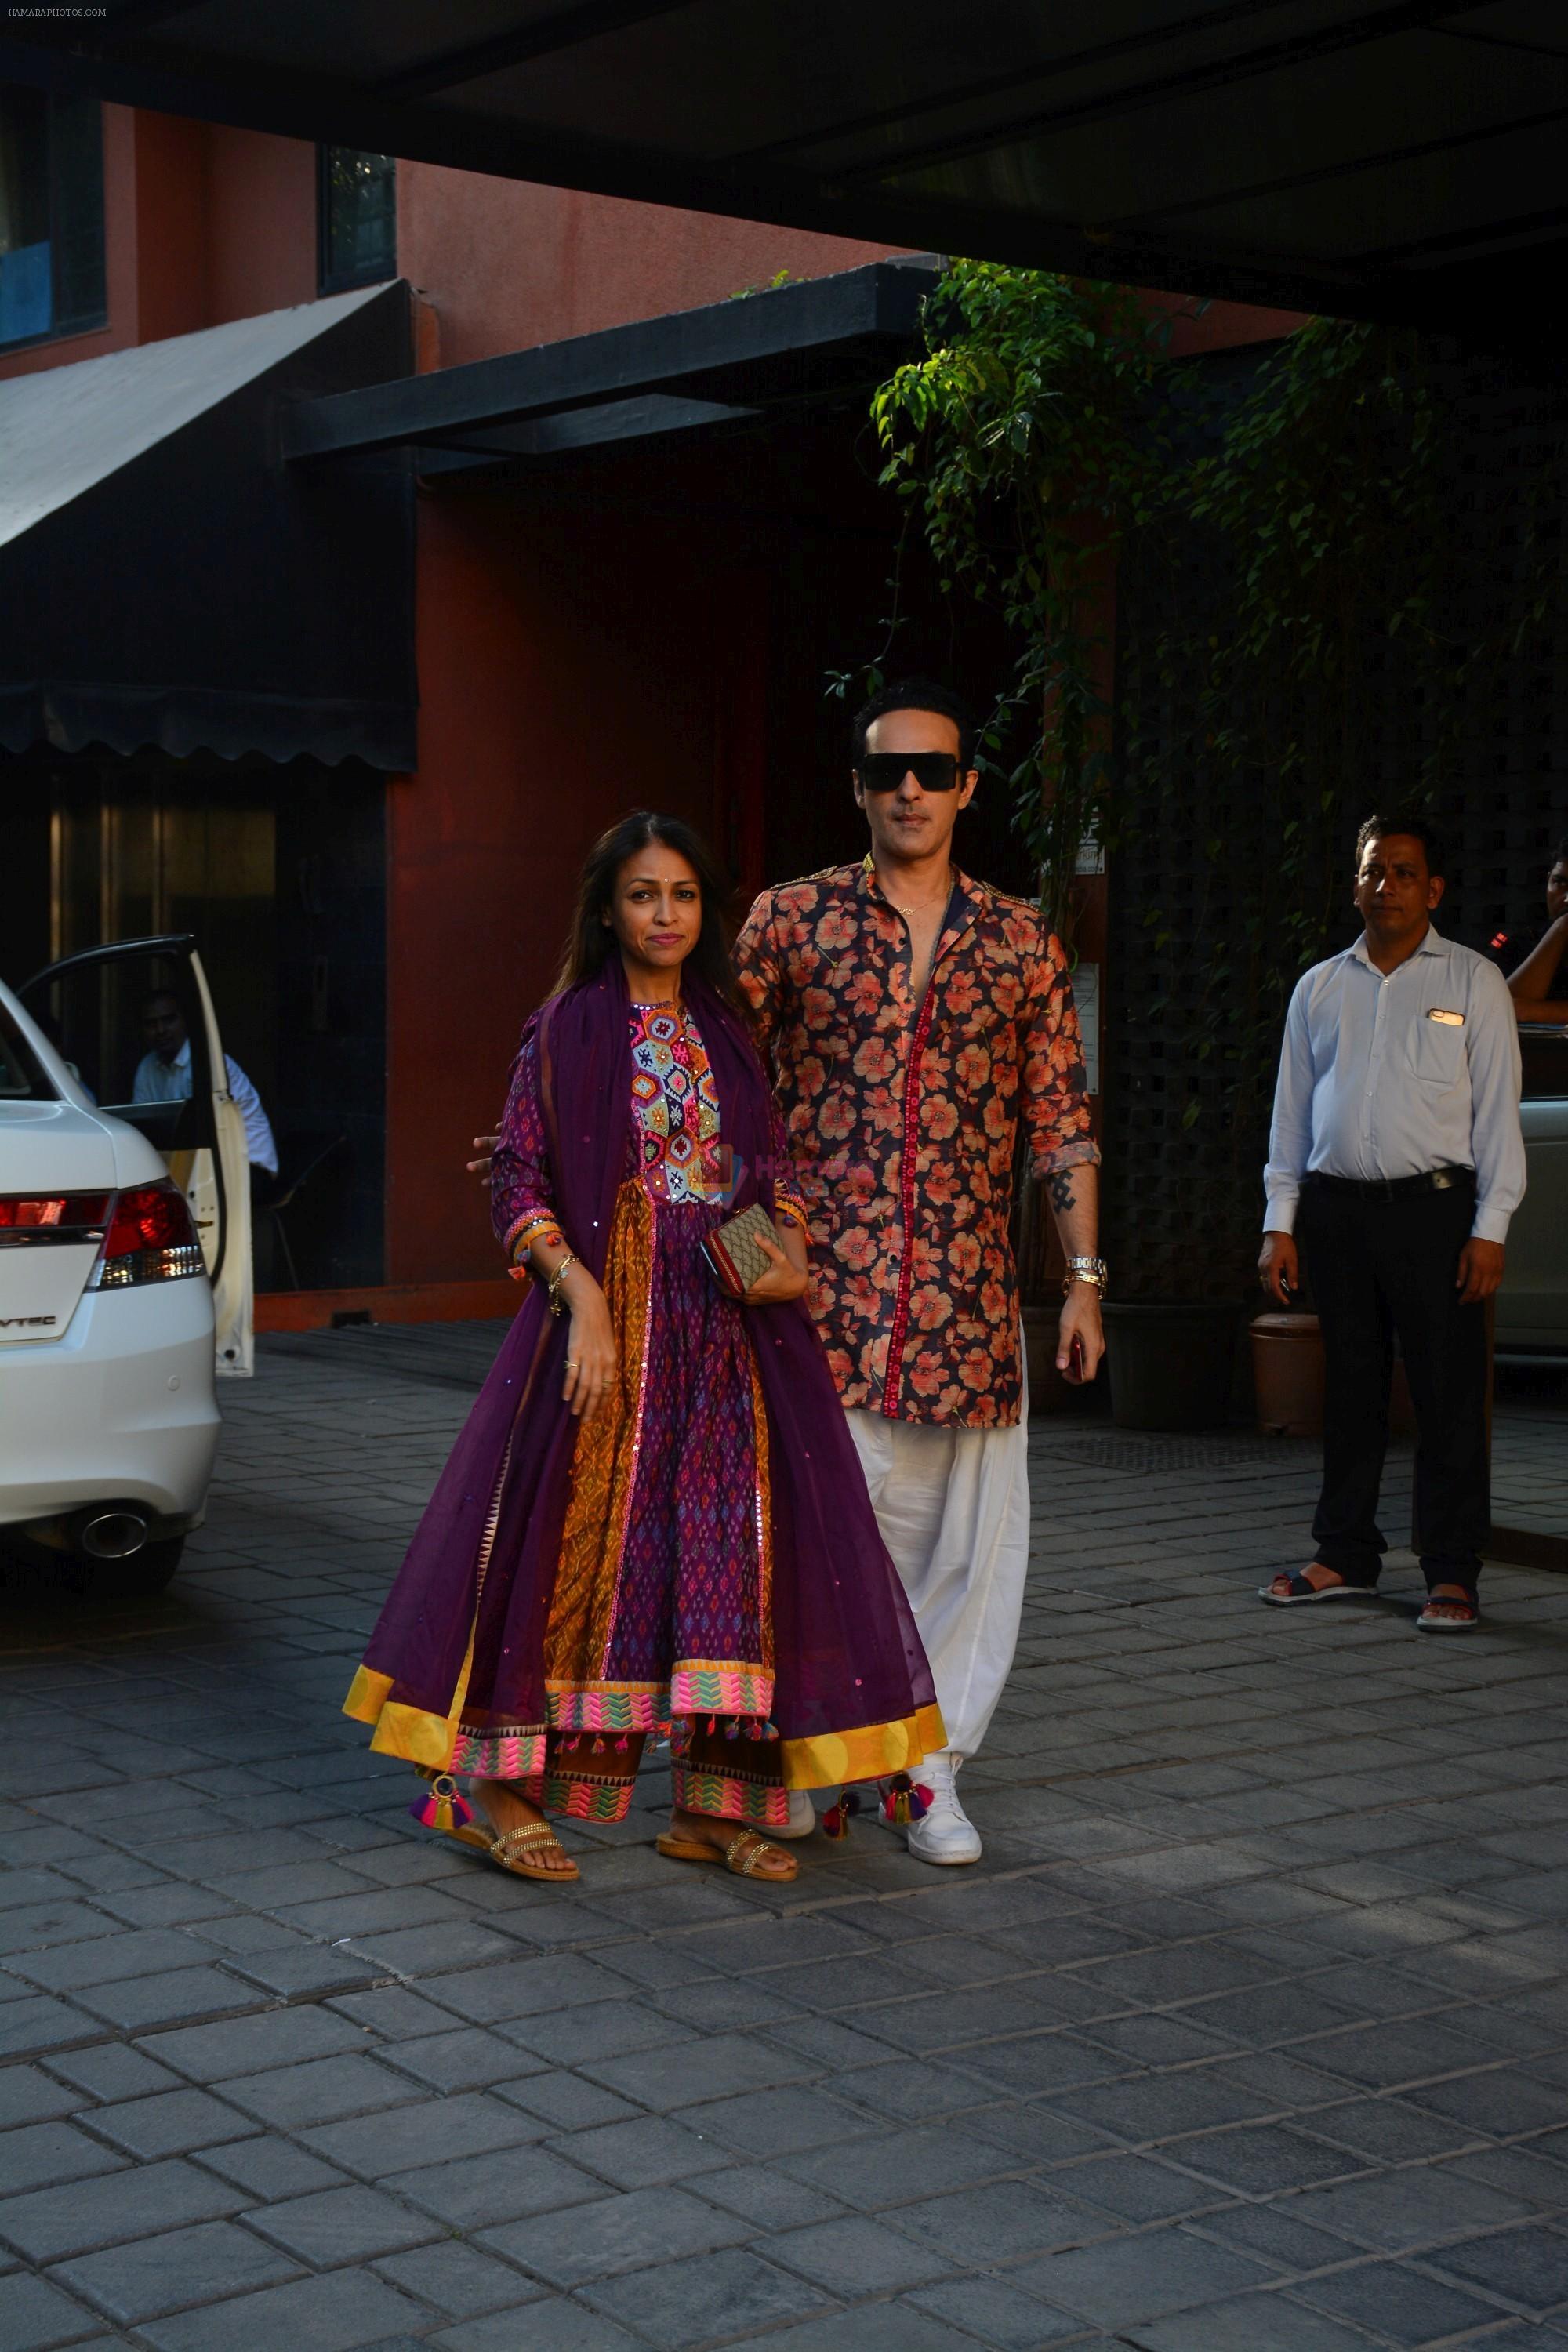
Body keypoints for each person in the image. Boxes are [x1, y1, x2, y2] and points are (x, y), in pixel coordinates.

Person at [348, 812, 942, 1887]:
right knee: (570, 1552)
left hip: (724, 1320)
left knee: (724, 1555)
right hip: (607, 1320)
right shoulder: (569, 1025)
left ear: (704, 910)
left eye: (681, 895)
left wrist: (792, 1250)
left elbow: (765, 1175)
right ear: (607, 909)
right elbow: (517, 1183)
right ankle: (499, 1788)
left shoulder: (727, 1026)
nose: (663, 915)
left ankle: (713, 1809)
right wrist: (580, 1300)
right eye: (641, 895)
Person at [732, 680, 1105, 1864]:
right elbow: (709, 1101)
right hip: (816, 1307)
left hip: (968, 1317)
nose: (910, 789)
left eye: (933, 772)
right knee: (815, 1547)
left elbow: (1061, 1122)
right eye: (888, 770)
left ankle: (926, 1772)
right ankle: (808, 1757)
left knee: (964, 1559)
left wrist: (1085, 1277)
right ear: (857, 786)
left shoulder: (1020, 941)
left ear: (966, 790)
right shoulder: (788, 922)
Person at [1258, 815, 1526, 1632]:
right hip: (1337, 1211)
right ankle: (1343, 1552)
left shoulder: (1472, 982)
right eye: (1373, 871)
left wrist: (1490, 1228)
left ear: (1432, 889)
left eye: (1404, 873)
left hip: (1436, 1212)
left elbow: (1497, 1120)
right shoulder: (1319, 987)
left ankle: (1449, 1571)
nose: (1386, 886)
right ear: (1354, 884)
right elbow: (1291, 1114)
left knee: (1445, 1398)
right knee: (1350, 1389)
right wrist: (1279, 1220)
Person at [133, 992, 278, 1178]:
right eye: (151, 1024)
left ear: (185, 1021)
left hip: (249, 1166)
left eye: (169, 1020)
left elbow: (204, 1133)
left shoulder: (207, 1061)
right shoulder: (147, 1067)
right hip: (202, 1164)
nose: (161, 1030)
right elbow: (144, 1129)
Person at [1504, 837, 1568, 1024]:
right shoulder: (1520, 942)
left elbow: (1521, 1010)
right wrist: (1560, 928)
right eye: (1560, 882)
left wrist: (1536, 1011)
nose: (1566, 898)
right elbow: (1501, 1011)